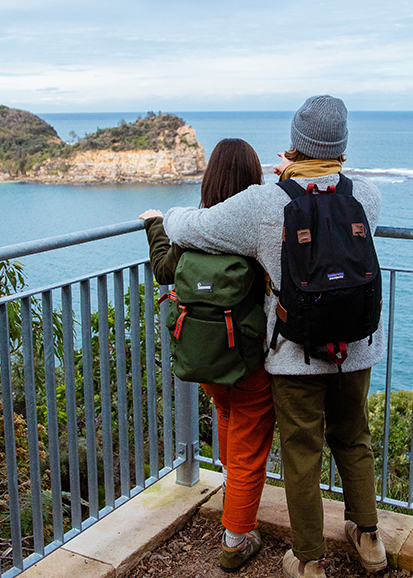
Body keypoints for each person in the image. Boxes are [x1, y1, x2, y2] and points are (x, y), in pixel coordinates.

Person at [160, 95, 387, 578]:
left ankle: (308, 561)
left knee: (302, 453)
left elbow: (192, 226)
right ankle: (369, 540)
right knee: (353, 438)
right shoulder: (366, 195)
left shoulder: (266, 202)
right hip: (356, 347)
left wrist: (163, 217)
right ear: (342, 144)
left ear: (295, 144)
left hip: (293, 353)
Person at [139, 138, 276, 573]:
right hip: (249, 357)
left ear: (210, 178)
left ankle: (232, 491)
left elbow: (163, 269)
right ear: (252, 180)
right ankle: (235, 539)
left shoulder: (193, 227)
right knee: (250, 445)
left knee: (230, 422)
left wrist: (156, 224)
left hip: (206, 354)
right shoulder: (253, 229)